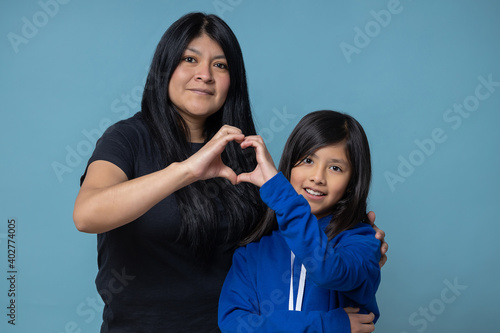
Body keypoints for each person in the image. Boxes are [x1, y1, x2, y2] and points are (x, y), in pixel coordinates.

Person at [73, 12, 387, 332]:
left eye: (220, 65)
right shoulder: (127, 139)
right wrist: (186, 171)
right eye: (190, 59)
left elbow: (287, 231)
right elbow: (87, 214)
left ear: (233, 80)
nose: (204, 75)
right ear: (164, 67)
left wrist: (352, 240)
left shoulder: (244, 151)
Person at [218, 110, 381, 333]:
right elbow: (234, 325)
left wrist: (282, 197)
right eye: (307, 160)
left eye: (335, 168)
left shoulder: (362, 243)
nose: (317, 177)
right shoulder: (252, 254)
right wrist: (326, 325)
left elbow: (326, 270)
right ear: (289, 167)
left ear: (351, 183)